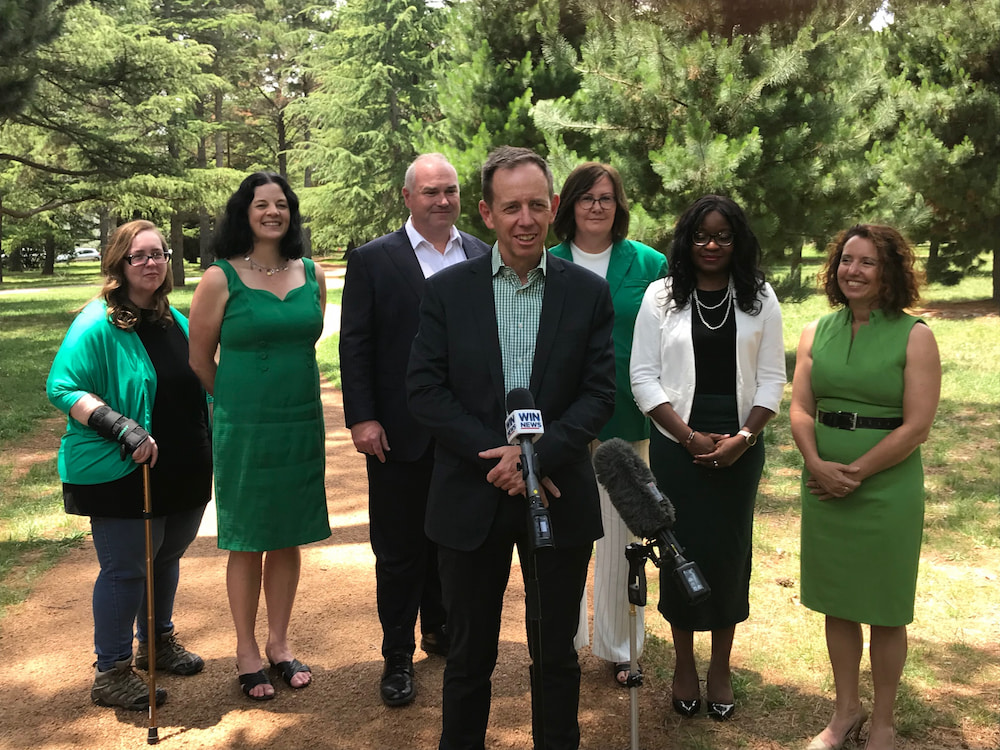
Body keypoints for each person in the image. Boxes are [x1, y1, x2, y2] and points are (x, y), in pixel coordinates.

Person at [407, 146, 616, 750]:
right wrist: (500, 458)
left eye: (535, 205)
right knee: (469, 653)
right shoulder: (447, 292)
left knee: (556, 653)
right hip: (471, 495)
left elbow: (598, 394)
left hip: (558, 492)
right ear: (487, 212)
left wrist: (535, 459)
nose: (524, 219)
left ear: (553, 208)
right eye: (510, 207)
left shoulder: (586, 293)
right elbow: (425, 389)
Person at [340, 153, 490, 707]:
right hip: (397, 433)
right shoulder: (374, 260)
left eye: (449, 190)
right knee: (400, 550)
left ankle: (441, 629)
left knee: (454, 540)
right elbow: (355, 344)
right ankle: (398, 654)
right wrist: (362, 417)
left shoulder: (481, 252)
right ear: (408, 197)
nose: (441, 200)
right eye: (430, 192)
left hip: (465, 433)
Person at [630, 194, 785, 721]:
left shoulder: (759, 296)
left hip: (741, 450)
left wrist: (743, 438)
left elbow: (771, 379)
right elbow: (643, 378)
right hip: (679, 450)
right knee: (679, 552)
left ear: (738, 240)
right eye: (701, 235)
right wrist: (688, 436)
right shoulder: (661, 297)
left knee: (728, 556)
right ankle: (682, 663)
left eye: (722, 235)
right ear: (686, 241)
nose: (711, 244)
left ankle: (720, 665)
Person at [46, 220, 210, 710]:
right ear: (119, 263)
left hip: (182, 466)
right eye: (139, 255)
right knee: (126, 569)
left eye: (159, 254)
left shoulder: (172, 319)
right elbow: (63, 387)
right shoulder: (97, 321)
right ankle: (111, 671)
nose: (152, 263)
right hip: (123, 466)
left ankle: (156, 642)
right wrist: (119, 425)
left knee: (165, 557)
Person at [790, 225, 940, 750]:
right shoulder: (815, 330)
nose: (852, 271)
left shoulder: (915, 334)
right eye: (846, 261)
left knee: (885, 606)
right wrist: (816, 463)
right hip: (825, 483)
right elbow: (802, 406)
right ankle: (845, 711)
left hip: (887, 490)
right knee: (839, 601)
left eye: (867, 262)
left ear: (889, 271)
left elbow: (916, 426)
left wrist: (855, 473)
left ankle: (883, 721)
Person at [188, 171, 331, 701]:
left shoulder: (311, 272)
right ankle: (246, 649)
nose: (272, 212)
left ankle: (278, 641)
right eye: (260, 204)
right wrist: (235, 403)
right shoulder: (219, 278)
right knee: (248, 537)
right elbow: (200, 359)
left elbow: (310, 339)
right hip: (244, 424)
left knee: (287, 533)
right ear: (243, 212)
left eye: (281, 204)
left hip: (300, 420)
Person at [548, 162, 668, 687]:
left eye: (607, 197)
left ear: (619, 206)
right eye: (586, 197)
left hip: (628, 416)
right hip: (562, 421)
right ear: (568, 205)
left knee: (623, 540)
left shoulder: (650, 263)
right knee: (565, 539)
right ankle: (562, 640)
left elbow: (669, 340)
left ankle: (622, 647)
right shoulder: (544, 262)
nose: (597, 206)